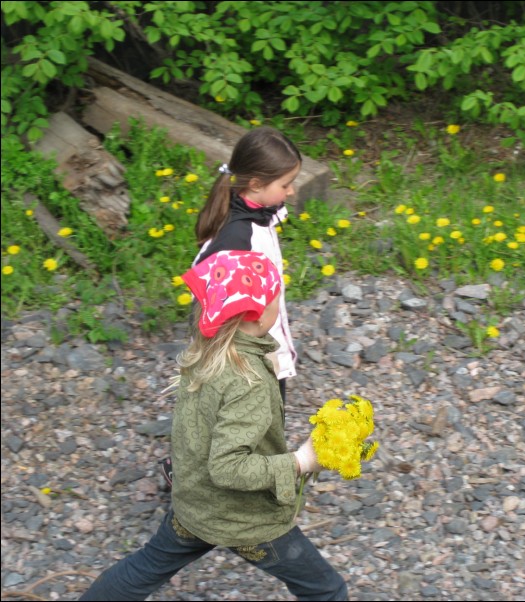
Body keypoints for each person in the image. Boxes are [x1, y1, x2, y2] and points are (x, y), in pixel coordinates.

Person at [81, 250, 348, 601]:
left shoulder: (208, 351)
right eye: (275, 304)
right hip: (245, 519)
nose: (278, 311)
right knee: (326, 589)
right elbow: (228, 468)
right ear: (256, 316)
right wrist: (301, 462)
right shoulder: (247, 380)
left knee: (147, 566)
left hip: (194, 505)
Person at [159, 126, 302, 491]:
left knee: (230, 414)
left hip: (258, 341)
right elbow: (221, 311)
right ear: (255, 184)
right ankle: (235, 489)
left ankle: (194, 469)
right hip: (247, 350)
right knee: (251, 418)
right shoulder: (237, 239)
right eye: (286, 184)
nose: (292, 192)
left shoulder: (255, 213)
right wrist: (259, 358)